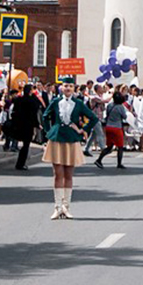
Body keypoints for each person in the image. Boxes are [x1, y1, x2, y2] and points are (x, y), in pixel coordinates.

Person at [41, 82, 99, 220]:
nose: (68, 89)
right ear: (61, 88)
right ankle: (57, 207)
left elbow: (93, 118)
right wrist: (50, 131)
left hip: (72, 139)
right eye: (66, 86)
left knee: (68, 174)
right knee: (57, 174)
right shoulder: (55, 101)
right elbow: (45, 116)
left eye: (71, 87)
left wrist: (82, 129)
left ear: (74, 89)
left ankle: (66, 207)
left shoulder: (78, 103)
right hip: (57, 138)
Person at [9, 84, 43, 170]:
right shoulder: (32, 101)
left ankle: (20, 162)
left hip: (19, 124)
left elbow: (14, 112)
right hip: (28, 125)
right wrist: (37, 124)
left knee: (19, 141)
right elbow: (34, 113)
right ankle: (21, 163)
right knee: (26, 144)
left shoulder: (19, 100)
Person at [95, 92, 129, 169]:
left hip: (108, 126)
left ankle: (99, 159)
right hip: (117, 127)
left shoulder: (110, 105)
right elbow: (124, 116)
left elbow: (107, 114)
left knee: (109, 146)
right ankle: (119, 163)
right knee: (120, 146)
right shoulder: (120, 107)